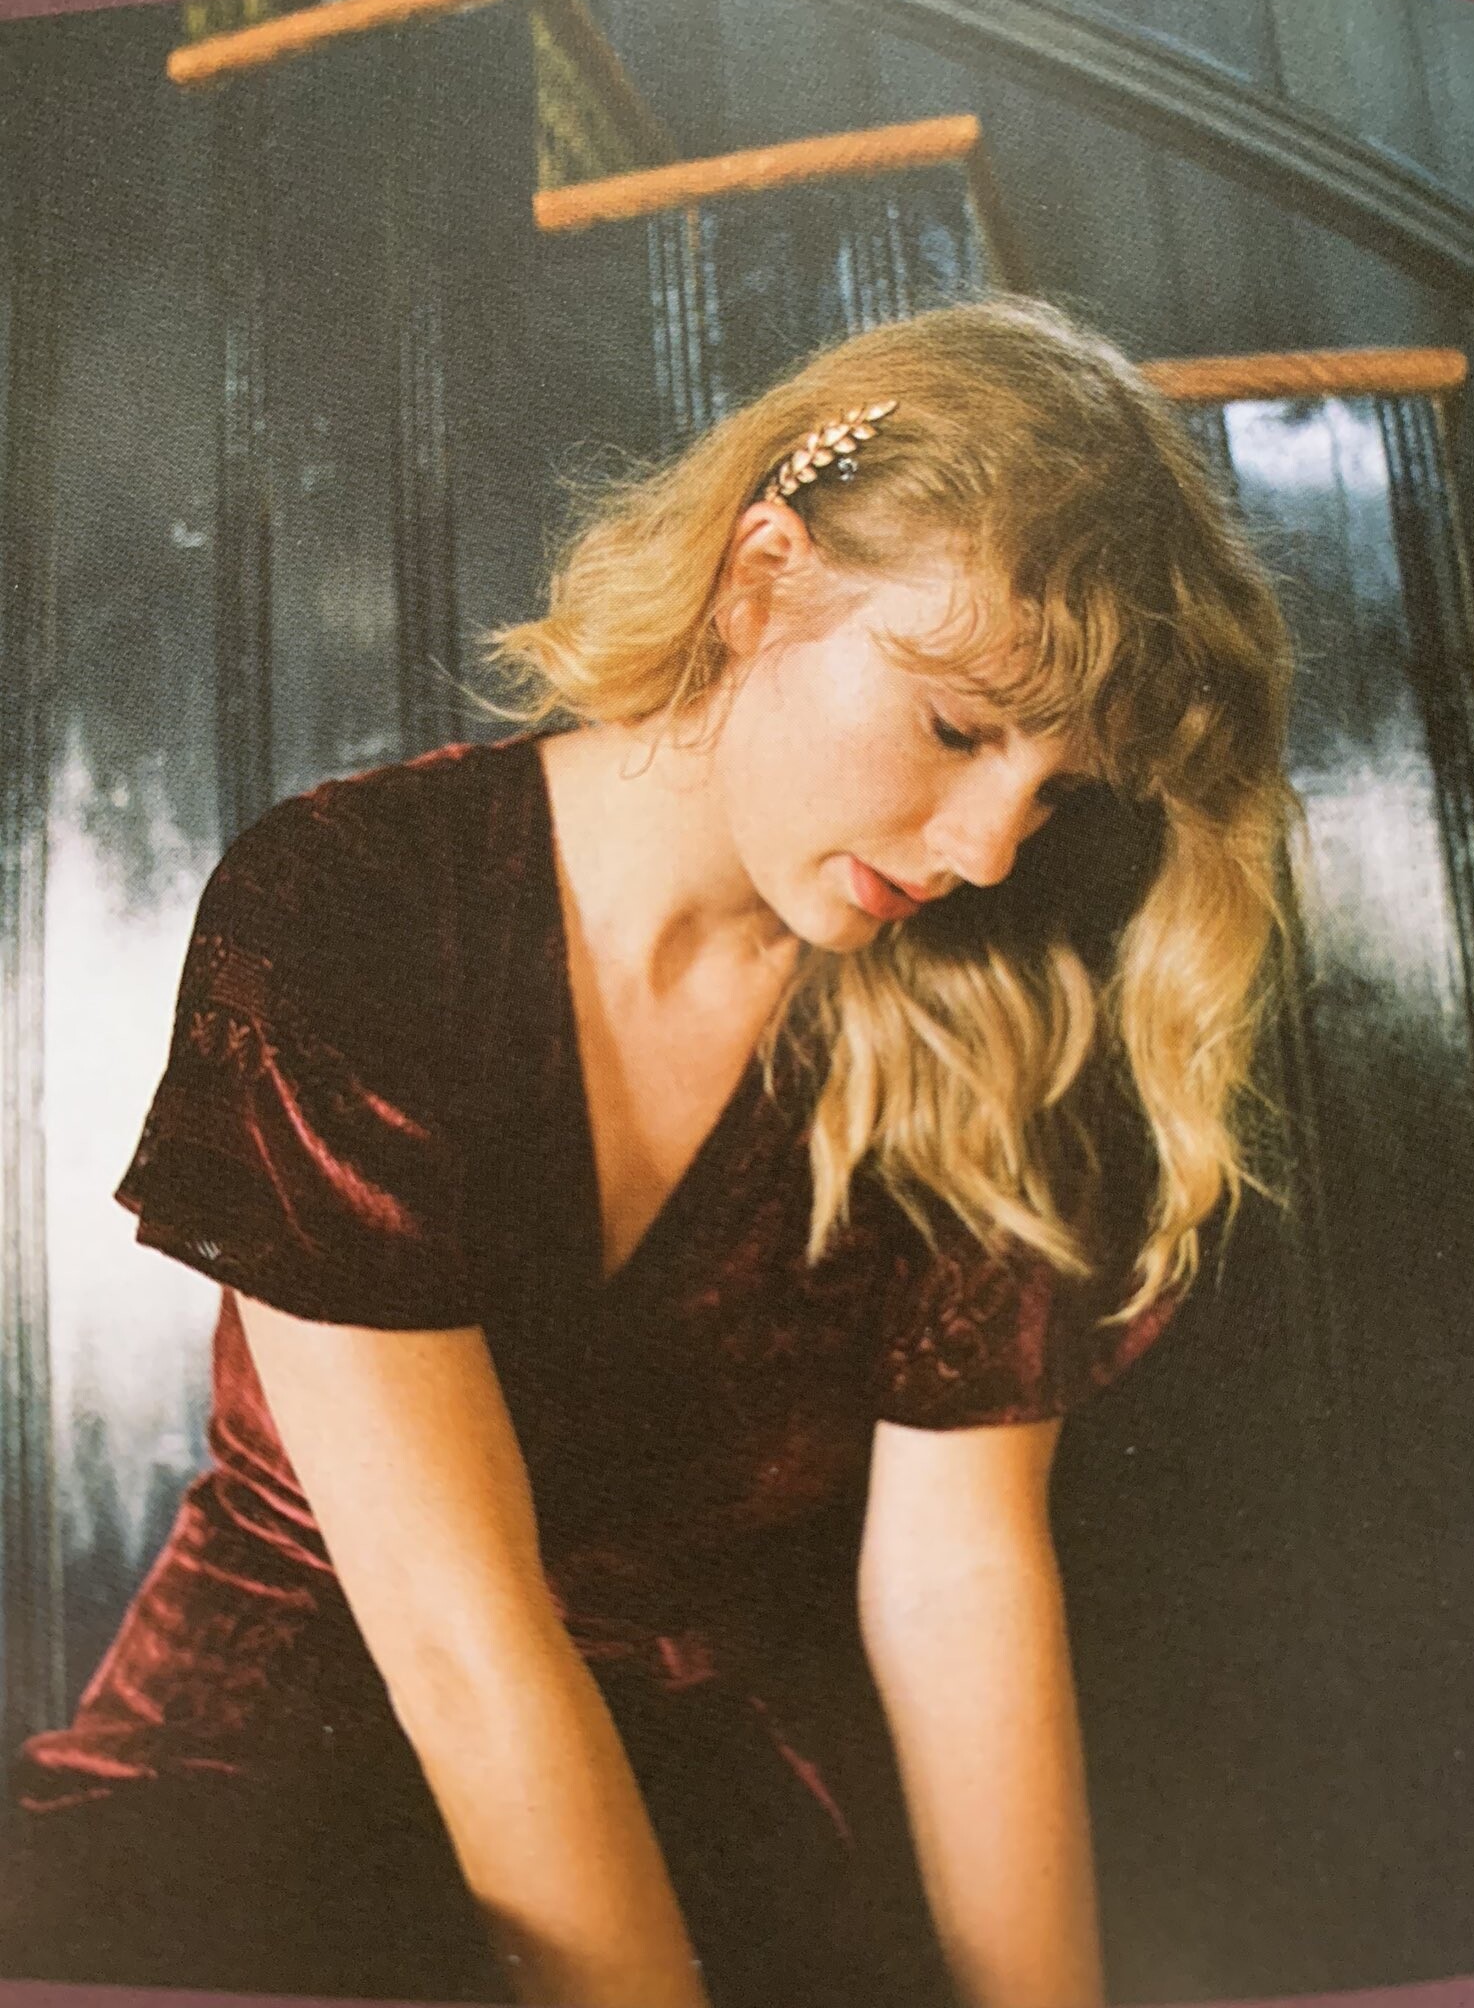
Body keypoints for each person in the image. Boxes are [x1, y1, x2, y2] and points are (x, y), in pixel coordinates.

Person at [0, 295, 1295, 2008]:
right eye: (959, 729)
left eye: (1059, 788)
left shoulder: (996, 1006)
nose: (992, 847)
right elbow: (461, 1640)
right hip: (275, 1764)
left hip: (714, 1792)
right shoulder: (353, 901)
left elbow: (958, 1578)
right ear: (761, 580)